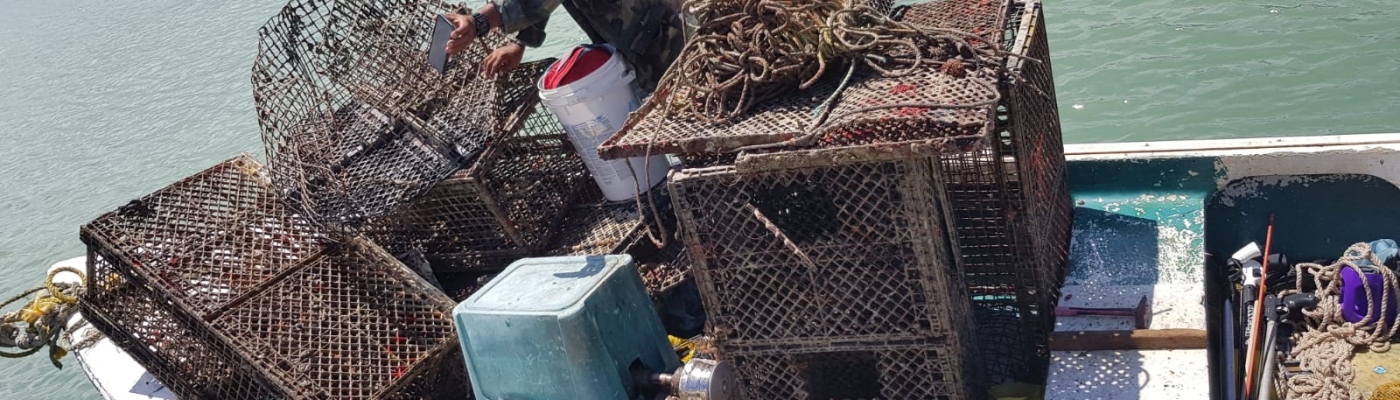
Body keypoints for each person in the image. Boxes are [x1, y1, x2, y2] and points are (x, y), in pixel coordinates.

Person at [443, 0, 685, 94]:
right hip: (633, 44)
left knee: (690, 103)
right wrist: (521, 41)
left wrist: (479, 21)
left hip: (664, 38)